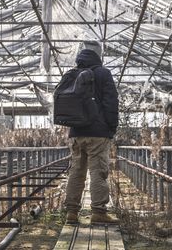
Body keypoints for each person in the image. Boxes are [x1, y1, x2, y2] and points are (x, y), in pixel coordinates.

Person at [64, 41, 119, 224]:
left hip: (76, 132)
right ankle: (98, 212)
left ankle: (71, 212)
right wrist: (111, 128)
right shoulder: (103, 73)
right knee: (98, 171)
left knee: (76, 171)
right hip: (98, 132)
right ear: (99, 56)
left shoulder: (72, 74)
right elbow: (111, 103)